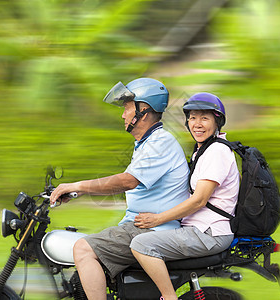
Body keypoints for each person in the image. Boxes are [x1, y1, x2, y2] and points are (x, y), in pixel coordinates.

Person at [49, 78, 190, 300]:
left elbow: (128, 181)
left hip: (150, 230)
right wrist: (75, 193)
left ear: (143, 110)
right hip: (139, 225)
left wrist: (78, 186)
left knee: (83, 248)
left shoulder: (159, 143)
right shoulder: (147, 143)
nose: (123, 114)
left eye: (126, 107)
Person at [130, 92, 240, 300]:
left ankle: (169, 297)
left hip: (209, 233)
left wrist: (158, 218)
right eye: (192, 117)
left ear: (218, 122)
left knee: (142, 245)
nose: (197, 124)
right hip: (201, 229)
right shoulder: (204, 150)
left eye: (204, 118)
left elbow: (199, 200)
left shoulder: (216, 151)